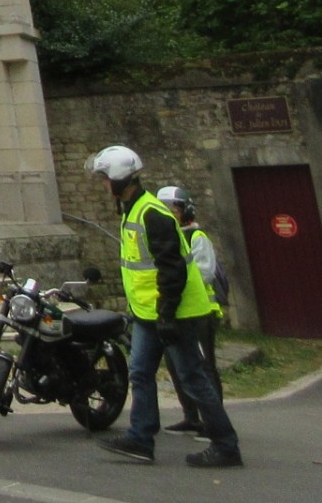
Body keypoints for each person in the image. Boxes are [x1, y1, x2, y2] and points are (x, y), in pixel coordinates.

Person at [89, 146, 242, 468]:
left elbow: (172, 269)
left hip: (176, 312)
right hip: (148, 313)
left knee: (192, 378)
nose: (102, 185)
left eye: (104, 179)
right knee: (140, 373)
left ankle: (225, 444)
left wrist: (168, 315)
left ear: (119, 179)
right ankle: (140, 438)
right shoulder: (131, 210)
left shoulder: (151, 213)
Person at [157, 185, 227, 435]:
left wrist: (174, 279)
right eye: (166, 209)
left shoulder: (197, 237)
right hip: (175, 311)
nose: (170, 213)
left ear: (185, 210)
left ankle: (213, 420)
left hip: (200, 312)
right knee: (176, 367)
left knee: (203, 366)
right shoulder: (166, 237)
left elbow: (205, 273)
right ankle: (191, 416)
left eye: (174, 209)